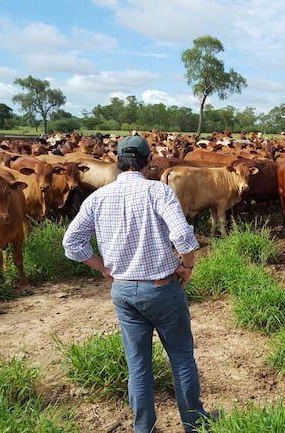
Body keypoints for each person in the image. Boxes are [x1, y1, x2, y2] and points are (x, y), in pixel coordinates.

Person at [62, 134, 214, 433]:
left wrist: (102, 267)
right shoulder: (159, 192)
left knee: (138, 363)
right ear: (148, 162)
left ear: (118, 162)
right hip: (161, 288)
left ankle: (144, 427)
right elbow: (183, 237)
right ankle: (194, 424)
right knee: (182, 356)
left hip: (123, 290)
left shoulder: (98, 197)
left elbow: (71, 243)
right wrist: (187, 266)